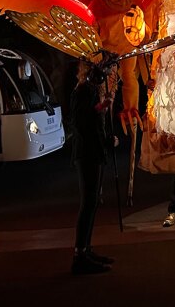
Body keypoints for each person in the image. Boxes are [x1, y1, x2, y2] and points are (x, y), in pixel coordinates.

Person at [69, 60, 117, 275]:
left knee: (93, 201)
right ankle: (79, 255)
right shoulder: (83, 90)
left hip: (94, 152)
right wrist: (100, 108)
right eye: (108, 72)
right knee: (88, 202)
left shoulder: (89, 90)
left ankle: (86, 250)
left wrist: (107, 139)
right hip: (87, 154)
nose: (110, 77)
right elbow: (81, 122)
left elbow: (93, 121)